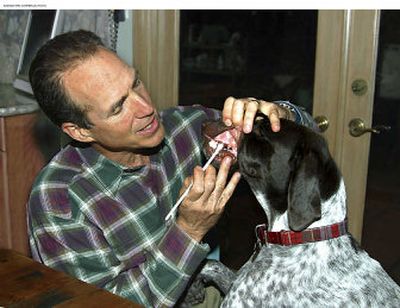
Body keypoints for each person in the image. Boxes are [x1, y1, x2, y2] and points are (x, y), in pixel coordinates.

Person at [27, 30, 315, 307]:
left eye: (135, 82)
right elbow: (103, 304)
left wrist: (281, 115)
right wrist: (188, 231)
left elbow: (305, 141)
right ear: (79, 131)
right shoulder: (59, 200)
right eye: (118, 108)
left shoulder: (186, 128)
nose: (145, 108)